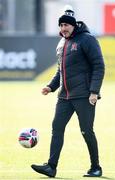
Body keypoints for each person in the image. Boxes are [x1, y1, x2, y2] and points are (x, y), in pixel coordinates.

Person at [31, 5, 105, 178]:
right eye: (61, 25)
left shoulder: (87, 40)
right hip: (64, 96)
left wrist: (94, 91)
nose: (63, 28)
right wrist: (50, 86)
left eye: (67, 25)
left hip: (84, 96)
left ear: (74, 25)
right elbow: (61, 70)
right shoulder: (62, 43)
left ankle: (96, 167)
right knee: (57, 128)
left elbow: (99, 66)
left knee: (86, 130)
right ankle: (51, 167)